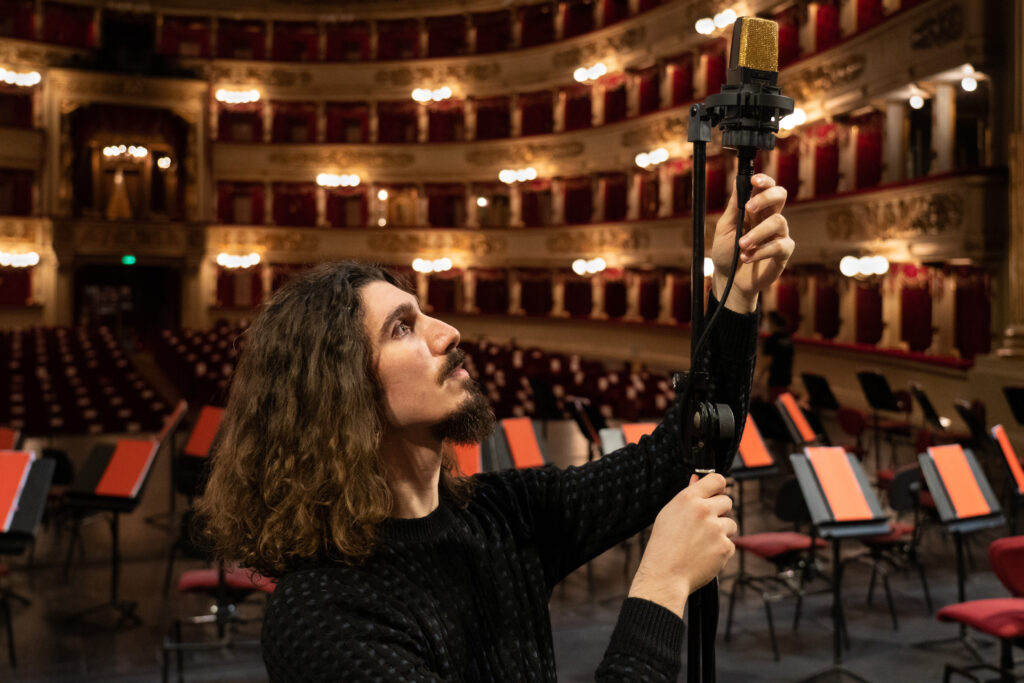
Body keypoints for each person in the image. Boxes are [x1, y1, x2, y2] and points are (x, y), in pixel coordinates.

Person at [197, 174, 794, 681]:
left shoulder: (502, 515)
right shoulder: (325, 616)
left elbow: (674, 456)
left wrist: (733, 295)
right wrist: (662, 586)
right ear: (339, 390)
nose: (447, 332)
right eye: (402, 327)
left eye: (425, 312)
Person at [759, 310, 795, 400]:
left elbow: (769, 360)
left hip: (775, 378)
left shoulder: (772, 339)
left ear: (772, 322)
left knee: (775, 403)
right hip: (786, 378)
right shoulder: (788, 339)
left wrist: (760, 375)